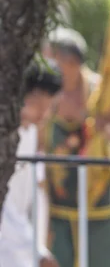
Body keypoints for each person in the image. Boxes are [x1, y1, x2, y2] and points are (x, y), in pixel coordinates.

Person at [44, 28, 110, 267]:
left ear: (71, 61)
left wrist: (106, 129)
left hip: (96, 202)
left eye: (54, 60)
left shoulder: (99, 92)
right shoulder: (50, 92)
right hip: (58, 205)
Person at [0, 59, 62, 267]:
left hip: (19, 247)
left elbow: (36, 189)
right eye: (37, 104)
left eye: (49, 107)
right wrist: (35, 249)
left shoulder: (31, 132)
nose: (43, 114)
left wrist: (39, 244)